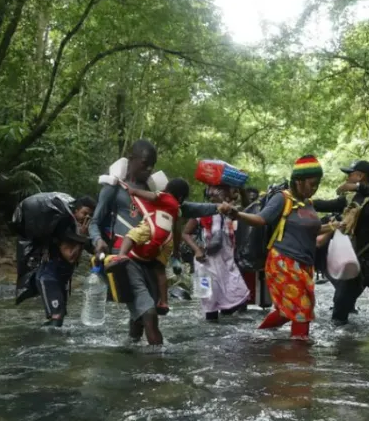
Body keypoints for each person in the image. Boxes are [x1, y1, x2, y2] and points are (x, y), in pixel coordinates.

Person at [89, 140, 220, 346]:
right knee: (149, 312)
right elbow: (94, 222)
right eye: (145, 163)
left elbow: (187, 209)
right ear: (131, 160)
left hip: (150, 259)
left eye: (153, 164)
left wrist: (219, 208)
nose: (149, 169)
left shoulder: (156, 193)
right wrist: (98, 241)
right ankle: (156, 369)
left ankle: (129, 351)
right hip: (125, 259)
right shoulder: (113, 189)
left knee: (139, 317)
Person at [222, 155, 337, 340]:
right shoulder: (282, 199)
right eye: (311, 184)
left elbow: (311, 230)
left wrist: (333, 227)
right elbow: (261, 219)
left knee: (287, 311)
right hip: (283, 262)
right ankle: (300, 358)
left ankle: (257, 337)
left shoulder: (309, 204)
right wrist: (238, 214)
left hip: (305, 264)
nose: (314, 189)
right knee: (302, 309)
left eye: (317, 184)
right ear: (298, 181)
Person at [313, 160, 369, 327]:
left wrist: (357, 187)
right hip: (355, 262)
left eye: (350, 174)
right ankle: (343, 347)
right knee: (339, 311)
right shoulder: (351, 199)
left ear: (360, 176)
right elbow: (324, 204)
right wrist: (302, 200)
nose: (347, 177)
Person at [118, 178, 191, 315]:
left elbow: (151, 196)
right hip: (166, 240)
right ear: (181, 197)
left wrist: (134, 191)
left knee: (131, 235)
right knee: (160, 270)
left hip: (152, 229)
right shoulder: (177, 210)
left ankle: (121, 255)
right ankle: (164, 301)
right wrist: (176, 251)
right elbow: (177, 231)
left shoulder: (164, 197)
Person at [183, 185, 249, 321]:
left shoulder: (231, 211)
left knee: (236, 299)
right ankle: (212, 336)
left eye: (218, 193)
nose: (214, 196)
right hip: (204, 263)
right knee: (209, 304)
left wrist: (241, 189)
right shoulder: (201, 211)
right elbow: (185, 233)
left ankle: (227, 334)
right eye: (211, 194)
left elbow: (248, 209)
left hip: (226, 263)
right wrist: (196, 250)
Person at [36, 196, 96, 327]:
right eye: (84, 213)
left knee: (59, 317)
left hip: (63, 279)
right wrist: (82, 237)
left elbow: (93, 249)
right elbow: (70, 257)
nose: (86, 218)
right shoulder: (64, 229)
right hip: (49, 277)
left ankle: (42, 338)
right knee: (57, 316)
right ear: (75, 211)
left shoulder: (79, 231)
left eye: (90, 216)